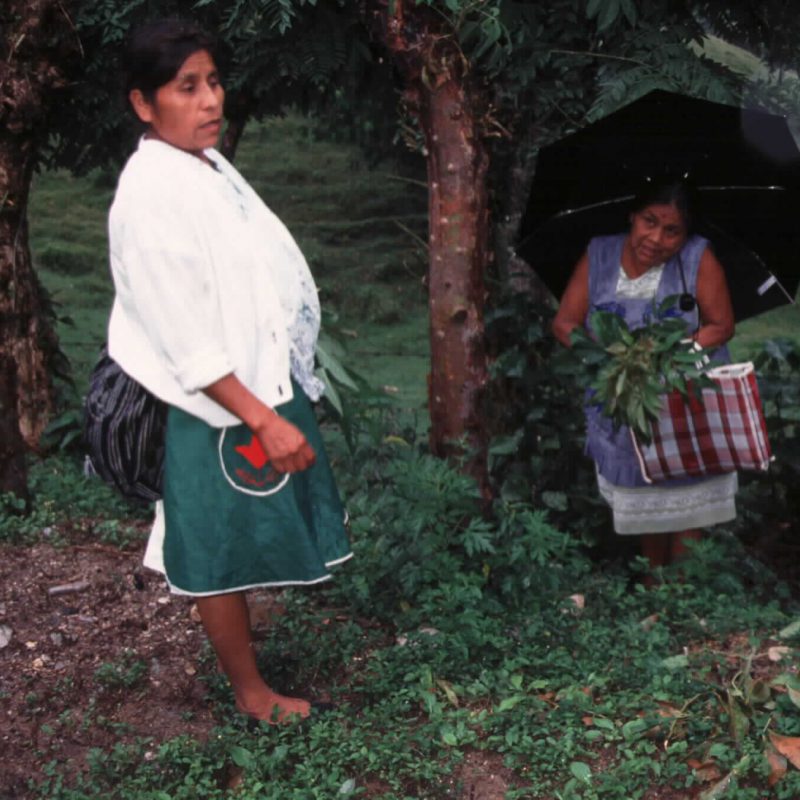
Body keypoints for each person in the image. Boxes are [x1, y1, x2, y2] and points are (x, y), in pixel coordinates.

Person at [107, 18, 352, 723]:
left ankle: (250, 670)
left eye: (213, 82)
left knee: (234, 532)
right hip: (214, 403)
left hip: (248, 385)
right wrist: (262, 417)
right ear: (143, 104)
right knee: (211, 541)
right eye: (187, 87)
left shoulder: (201, 163)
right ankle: (250, 693)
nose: (211, 100)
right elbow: (186, 340)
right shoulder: (150, 195)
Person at [552, 178, 737, 575]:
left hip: (686, 398)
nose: (656, 238)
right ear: (632, 216)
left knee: (689, 499)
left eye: (672, 230)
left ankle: (684, 595)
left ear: (685, 234)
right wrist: (608, 359)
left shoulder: (697, 257)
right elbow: (566, 323)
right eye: (649, 221)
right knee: (645, 497)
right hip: (626, 402)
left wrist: (668, 355)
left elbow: (720, 325)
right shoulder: (600, 254)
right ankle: (656, 587)